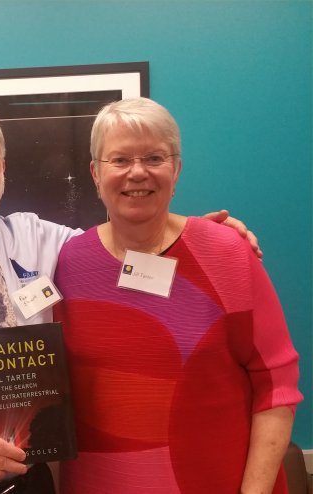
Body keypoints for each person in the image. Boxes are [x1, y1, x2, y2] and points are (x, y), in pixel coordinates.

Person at [0, 103, 259, 494]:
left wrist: (201, 237)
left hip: (30, 482)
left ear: (2, 166)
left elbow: (127, 251)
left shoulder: (46, 241)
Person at [53, 97, 302, 493]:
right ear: (96, 174)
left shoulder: (227, 253)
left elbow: (278, 386)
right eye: (119, 160)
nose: (137, 173)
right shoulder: (68, 263)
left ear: (177, 169)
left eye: (154, 158)